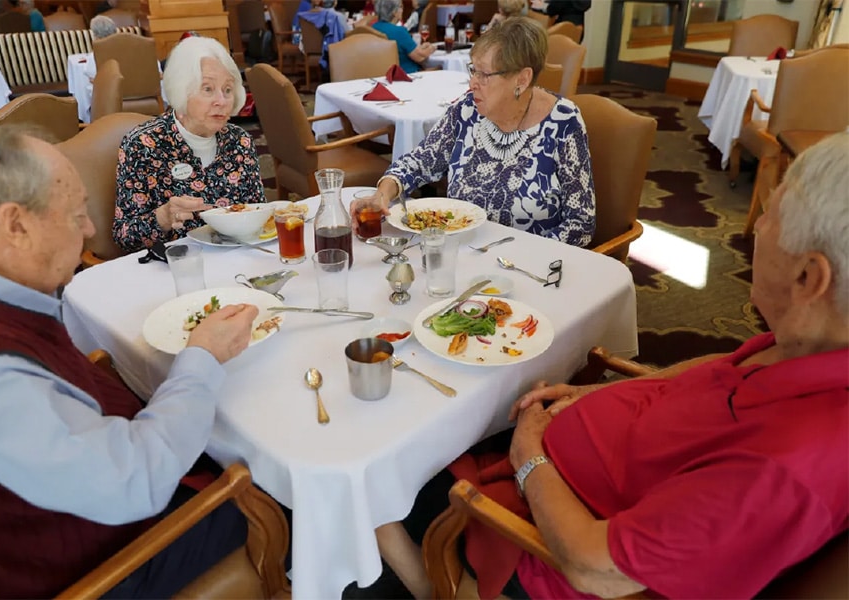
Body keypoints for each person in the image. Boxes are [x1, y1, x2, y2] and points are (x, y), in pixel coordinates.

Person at [377, 132, 849, 599]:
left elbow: (593, 568)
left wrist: (529, 456)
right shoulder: (809, 345)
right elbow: (720, 366)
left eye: (769, 214)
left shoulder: (782, 469)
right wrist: (589, 394)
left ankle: (428, 586)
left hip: (534, 539)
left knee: (376, 476)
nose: (759, 226)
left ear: (808, 277)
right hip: (555, 458)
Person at [0, 125, 263, 598]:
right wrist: (202, 356)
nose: (90, 230)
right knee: (276, 483)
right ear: (16, 226)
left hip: (32, 510)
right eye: (76, 216)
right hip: (92, 562)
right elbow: (138, 480)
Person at [352, 17, 595, 247]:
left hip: (530, 270)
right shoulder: (467, 110)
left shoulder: (563, 122)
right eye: (473, 70)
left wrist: (521, 254)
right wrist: (382, 195)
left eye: (484, 75)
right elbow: (417, 162)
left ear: (522, 79)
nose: (472, 83)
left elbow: (580, 223)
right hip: (462, 254)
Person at [113, 36, 266, 253]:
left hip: (236, 262)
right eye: (208, 89)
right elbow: (124, 237)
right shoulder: (142, 146)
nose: (221, 101)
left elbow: (257, 213)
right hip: (175, 269)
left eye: (228, 90)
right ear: (181, 90)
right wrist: (163, 218)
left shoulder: (239, 141)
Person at [371, 0, 434, 74]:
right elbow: (419, 57)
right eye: (400, 7)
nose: (402, 10)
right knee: (442, 68)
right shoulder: (399, 31)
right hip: (407, 75)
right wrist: (430, 49)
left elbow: (407, 49)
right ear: (394, 12)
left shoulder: (372, 28)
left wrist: (421, 48)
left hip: (383, 75)